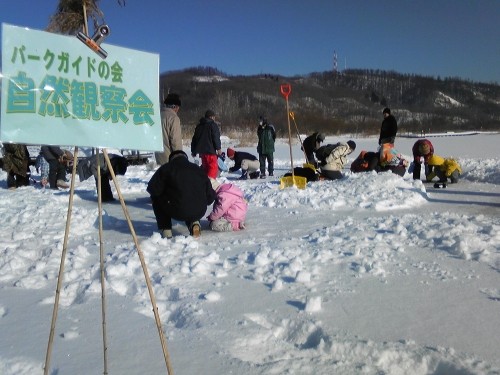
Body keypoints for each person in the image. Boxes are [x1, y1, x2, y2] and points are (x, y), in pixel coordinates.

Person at [147, 150, 216, 239]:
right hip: (199, 211)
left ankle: (166, 229)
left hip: (175, 210)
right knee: (191, 201)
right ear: (185, 158)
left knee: (156, 197)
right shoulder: (198, 169)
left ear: (171, 159)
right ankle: (194, 223)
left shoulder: (166, 168)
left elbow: (152, 189)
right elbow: (210, 197)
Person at [191, 110, 222, 179]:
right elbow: (216, 137)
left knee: (205, 168)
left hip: (202, 152)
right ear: (211, 117)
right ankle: (210, 183)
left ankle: (204, 182)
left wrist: (193, 150)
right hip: (210, 151)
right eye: (214, 117)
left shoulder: (199, 126)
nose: (214, 118)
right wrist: (218, 148)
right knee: (213, 168)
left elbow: (194, 139)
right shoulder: (212, 125)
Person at [154, 93, 183, 166]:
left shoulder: (157, 116)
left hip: (159, 155)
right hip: (171, 158)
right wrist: (180, 157)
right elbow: (175, 141)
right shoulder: (173, 118)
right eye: (178, 107)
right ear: (174, 106)